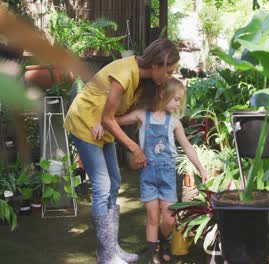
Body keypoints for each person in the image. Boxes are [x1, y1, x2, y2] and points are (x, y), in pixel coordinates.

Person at [64, 39, 180, 264]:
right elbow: (108, 117)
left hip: (101, 127)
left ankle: (112, 249)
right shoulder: (125, 74)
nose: (169, 76)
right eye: (169, 71)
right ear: (156, 65)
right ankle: (106, 257)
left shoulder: (143, 81)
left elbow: (113, 116)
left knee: (115, 182)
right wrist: (134, 147)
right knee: (102, 186)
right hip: (84, 123)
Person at [116, 78, 208, 263]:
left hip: (167, 176)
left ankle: (161, 241)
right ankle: (152, 253)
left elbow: (188, 147)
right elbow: (115, 121)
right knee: (152, 216)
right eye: (175, 99)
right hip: (148, 175)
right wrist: (101, 123)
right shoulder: (142, 115)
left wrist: (202, 170)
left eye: (179, 101)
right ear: (162, 95)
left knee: (169, 219)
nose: (177, 104)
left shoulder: (174, 122)